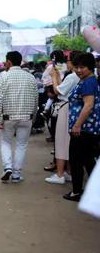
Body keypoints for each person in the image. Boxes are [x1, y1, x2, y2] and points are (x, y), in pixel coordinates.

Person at [0, 51, 38, 183]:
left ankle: (7, 167)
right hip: (27, 116)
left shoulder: (3, 76)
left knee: (6, 142)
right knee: (21, 144)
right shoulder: (30, 77)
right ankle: (16, 174)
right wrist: (34, 117)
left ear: (8, 62)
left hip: (9, 116)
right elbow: (36, 98)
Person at [63, 52, 100, 201]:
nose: (78, 70)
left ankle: (77, 192)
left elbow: (88, 105)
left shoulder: (88, 82)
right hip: (87, 129)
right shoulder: (87, 80)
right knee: (87, 160)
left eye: (82, 67)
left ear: (90, 67)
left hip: (84, 129)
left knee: (77, 161)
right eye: (76, 67)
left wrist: (77, 125)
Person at [44, 51, 80, 185]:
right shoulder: (75, 76)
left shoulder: (72, 76)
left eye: (68, 60)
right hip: (71, 108)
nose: (67, 63)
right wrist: (58, 76)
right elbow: (63, 88)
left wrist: (53, 77)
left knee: (61, 142)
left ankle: (59, 174)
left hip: (65, 108)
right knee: (68, 142)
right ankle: (68, 172)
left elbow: (58, 91)